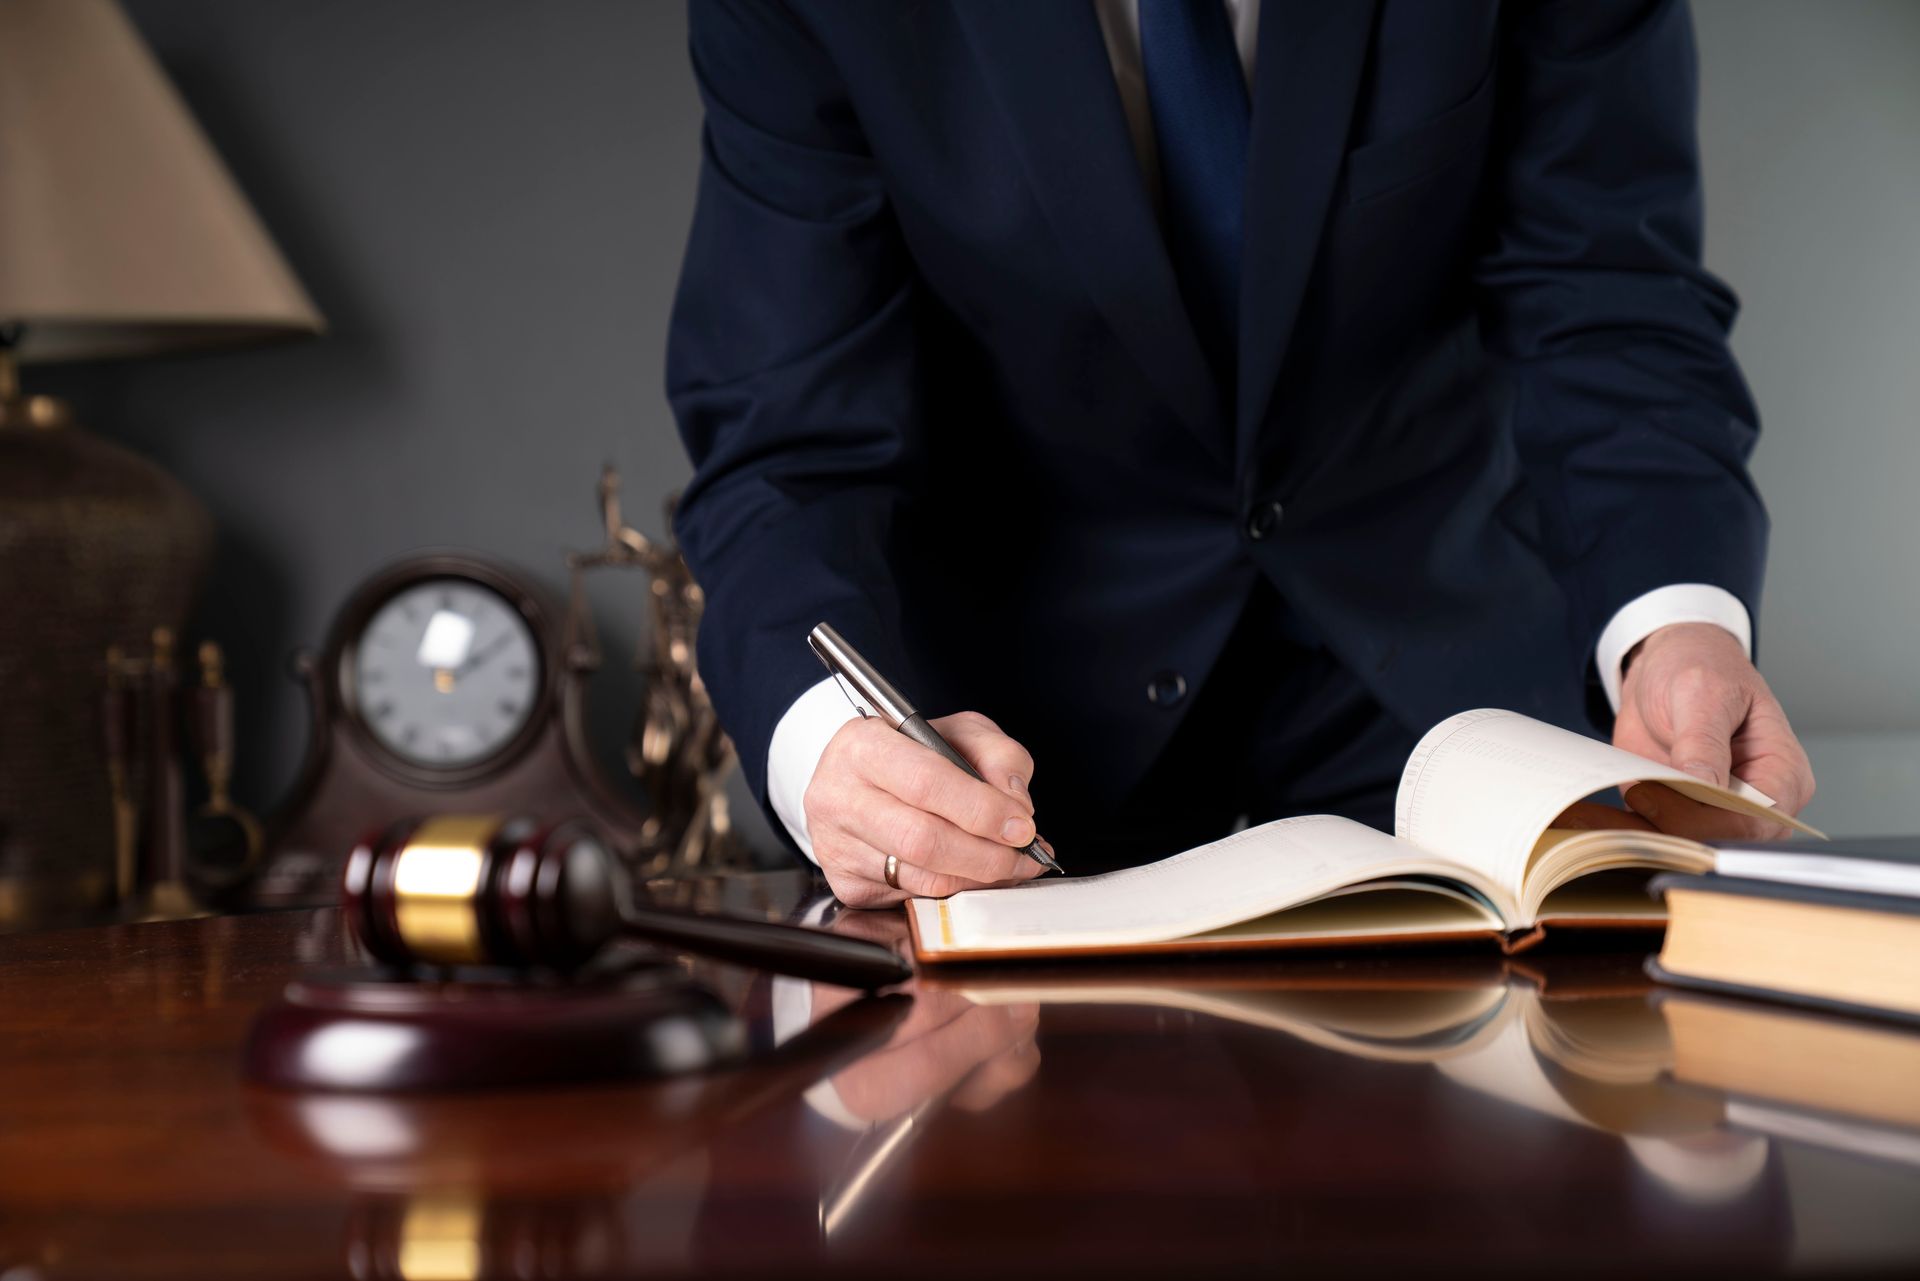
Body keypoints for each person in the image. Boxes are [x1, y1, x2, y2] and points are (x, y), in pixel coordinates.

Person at [667, 0, 1815, 907]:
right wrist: (827, 743)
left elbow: (1608, 301)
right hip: (1015, 780)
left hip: (1460, 730)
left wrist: (1678, 626)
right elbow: (788, 435)